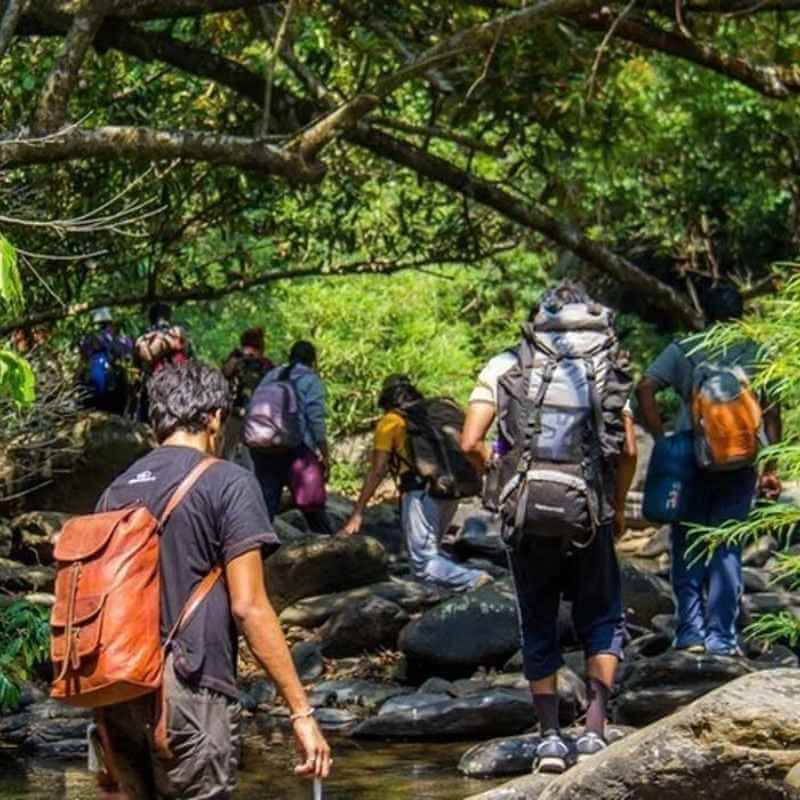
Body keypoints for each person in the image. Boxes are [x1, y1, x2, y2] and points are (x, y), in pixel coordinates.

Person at [94, 360, 330, 798]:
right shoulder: (227, 482)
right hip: (189, 690)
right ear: (215, 417)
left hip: (117, 695)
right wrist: (301, 711)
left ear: (157, 419)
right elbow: (249, 606)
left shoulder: (116, 489)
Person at [461, 283, 637, 772]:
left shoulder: (507, 363)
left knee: (537, 621)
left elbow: (470, 440)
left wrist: (506, 471)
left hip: (527, 512)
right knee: (601, 618)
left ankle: (550, 741)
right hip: (591, 511)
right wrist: (617, 508)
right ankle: (594, 733)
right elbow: (627, 451)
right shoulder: (605, 361)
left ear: (537, 318)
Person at [636, 283, 782, 657]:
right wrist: (770, 465)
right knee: (728, 546)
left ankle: (690, 633)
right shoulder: (757, 352)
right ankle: (722, 638)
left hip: (690, 459)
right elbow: (772, 409)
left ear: (705, 313)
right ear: (741, 316)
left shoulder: (686, 349)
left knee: (686, 542)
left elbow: (646, 388)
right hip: (741, 462)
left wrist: (661, 436)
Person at [340, 374, 493, 592]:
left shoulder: (391, 421)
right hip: (451, 488)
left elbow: (377, 470)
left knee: (423, 563)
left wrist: (358, 511)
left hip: (422, 492)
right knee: (431, 553)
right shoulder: (436, 413)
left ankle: (475, 580)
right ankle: (435, 598)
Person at [251, 340, 332, 534]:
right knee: (311, 502)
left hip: (263, 445)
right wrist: (324, 453)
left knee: (266, 506)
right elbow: (316, 419)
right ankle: (331, 546)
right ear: (313, 361)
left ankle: (258, 551)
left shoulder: (272, 374)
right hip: (296, 449)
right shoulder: (310, 379)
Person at [222, 327, 274, 467]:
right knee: (230, 454)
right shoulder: (237, 359)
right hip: (238, 413)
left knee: (246, 456)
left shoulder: (265, 365)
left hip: (253, 416)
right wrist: (239, 359)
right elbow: (225, 373)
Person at [78, 307, 133, 415]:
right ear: (110, 323)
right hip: (115, 391)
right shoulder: (121, 339)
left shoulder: (88, 339)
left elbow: (83, 357)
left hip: (93, 390)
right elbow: (128, 353)